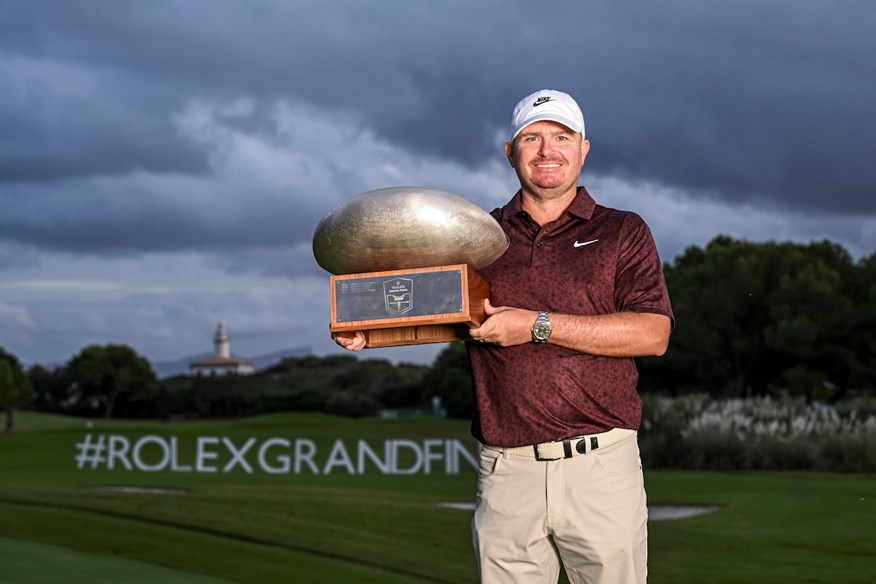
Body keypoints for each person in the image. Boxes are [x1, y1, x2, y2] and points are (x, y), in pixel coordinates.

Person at [334, 89, 673, 584]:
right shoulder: (476, 237)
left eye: (561, 136)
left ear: (584, 148)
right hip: (507, 473)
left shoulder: (623, 231)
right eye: (531, 138)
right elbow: (438, 306)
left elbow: (654, 332)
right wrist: (372, 333)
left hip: (601, 466)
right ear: (510, 153)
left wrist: (536, 325)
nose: (547, 150)